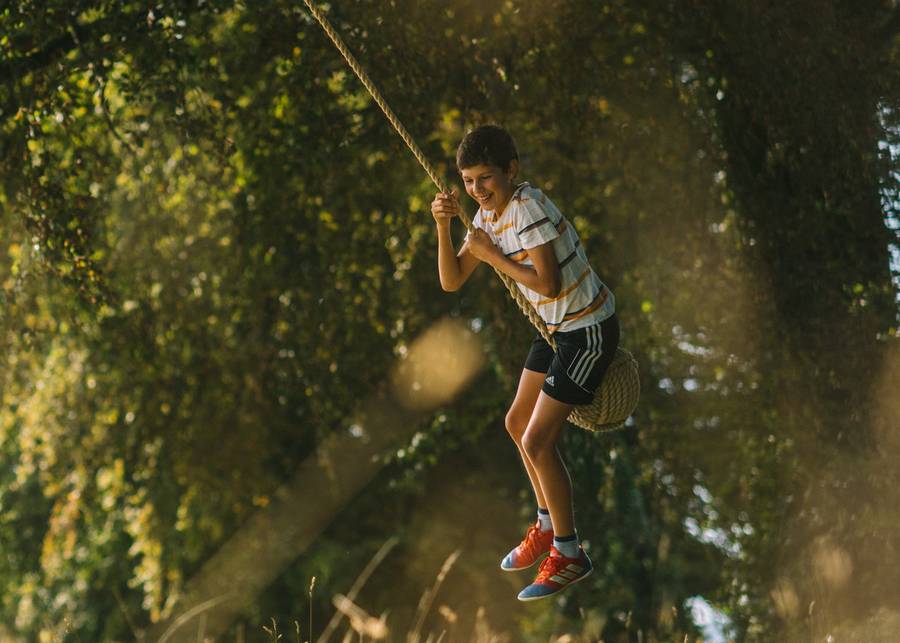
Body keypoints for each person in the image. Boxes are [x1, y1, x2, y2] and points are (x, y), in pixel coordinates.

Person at [430, 124, 620, 601]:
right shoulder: (487, 217)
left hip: (586, 329)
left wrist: (491, 256)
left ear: (511, 171)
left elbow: (550, 284)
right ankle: (545, 522)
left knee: (537, 440)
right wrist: (444, 226)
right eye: (468, 181)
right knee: (516, 422)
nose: (477, 190)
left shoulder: (527, 208)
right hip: (556, 331)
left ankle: (569, 551)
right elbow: (452, 280)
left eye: (486, 179)